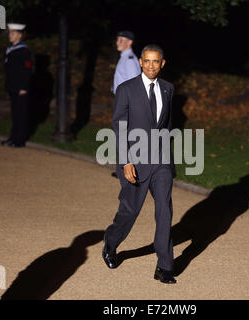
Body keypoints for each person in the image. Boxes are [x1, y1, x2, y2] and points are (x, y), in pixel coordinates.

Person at [102, 44, 177, 284]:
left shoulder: (168, 89)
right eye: (147, 61)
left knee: (164, 211)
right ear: (141, 63)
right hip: (134, 161)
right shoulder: (126, 89)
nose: (151, 65)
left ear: (162, 63)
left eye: (156, 61)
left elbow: (166, 125)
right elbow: (119, 126)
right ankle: (111, 244)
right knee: (130, 211)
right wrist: (125, 161)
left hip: (161, 161)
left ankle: (165, 266)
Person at [2, 22, 32, 148]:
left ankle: (19, 140)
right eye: (10, 33)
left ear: (20, 36)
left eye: (13, 33)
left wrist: (24, 87)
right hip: (13, 87)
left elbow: (27, 70)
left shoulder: (23, 51)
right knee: (15, 114)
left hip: (20, 88)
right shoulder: (10, 49)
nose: (10, 35)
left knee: (21, 114)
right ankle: (13, 137)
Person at [112, 31, 141, 95]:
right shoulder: (124, 57)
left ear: (129, 42)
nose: (117, 42)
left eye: (121, 40)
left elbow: (134, 85)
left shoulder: (129, 60)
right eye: (117, 39)